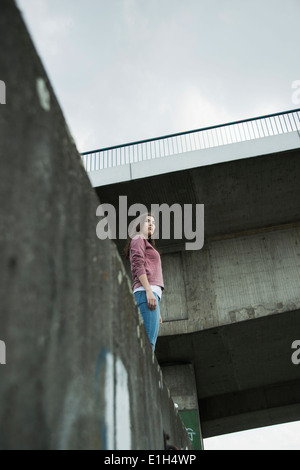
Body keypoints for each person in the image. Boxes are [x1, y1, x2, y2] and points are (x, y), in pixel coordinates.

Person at [124, 212, 164, 351]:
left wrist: (157, 308)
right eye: (148, 221)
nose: (151, 224)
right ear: (139, 224)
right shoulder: (138, 239)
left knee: (149, 342)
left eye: (153, 223)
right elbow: (138, 264)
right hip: (145, 291)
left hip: (151, 294)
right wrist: (148, 291)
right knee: (148, 344)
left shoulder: (146, 243)